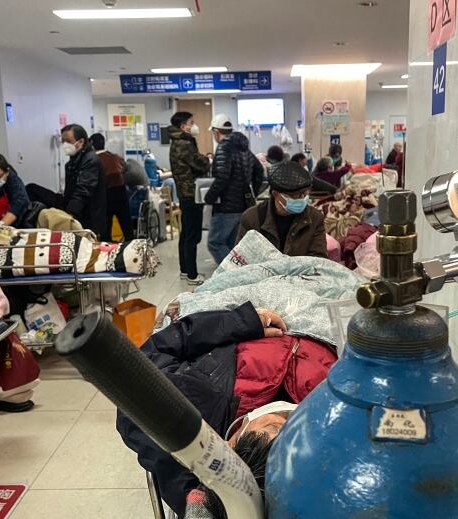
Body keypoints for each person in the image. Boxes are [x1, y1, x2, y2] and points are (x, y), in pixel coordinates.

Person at [117, 302, 335, 515]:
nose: (284, 413)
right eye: (291, 424)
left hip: (242, 316)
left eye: (275, 422)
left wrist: (239, 322)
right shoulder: (338, 423)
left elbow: (138, 371)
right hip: (327, 323)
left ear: (229, 445)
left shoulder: (194, 412)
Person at [205, 114, 264, 264]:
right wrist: (252, 193)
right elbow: (259, 171)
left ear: (217, 132)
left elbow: (222, 177)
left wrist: (209, 198)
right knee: (232, 244)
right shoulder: (244, 149)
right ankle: (238, 272)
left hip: (226, 206)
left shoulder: (224, 148)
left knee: (215, 243)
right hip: (242, 205)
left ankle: (232, 272)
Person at [237, 161, 327, 258]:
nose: (301, 199)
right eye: (295, 196)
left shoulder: (314, 218)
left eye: (304, 194)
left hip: (302, 273)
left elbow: (318, 259)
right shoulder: (252, 218)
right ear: (276, 194)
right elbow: (242, 259)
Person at [169, 111, 211, 285]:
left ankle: (185, 270)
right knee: (192, 235)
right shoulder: (185, 143)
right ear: (183, 126)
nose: (194, 126)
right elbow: (199, 162)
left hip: (184, 192)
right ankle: (192, 275)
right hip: (191, 193)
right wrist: (207, 159)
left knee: (186, 233)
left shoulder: (177, 141)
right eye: (191, 122)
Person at [61, 124, 108, 240]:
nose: (65, 145)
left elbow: (84, 189)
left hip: (90, 217)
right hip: (80, 215)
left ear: (81, 141)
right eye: (63, 141)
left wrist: (69, 215)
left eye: (68, 141)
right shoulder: (72, 162)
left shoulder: (91, 160)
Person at [89, 133, 133, 241]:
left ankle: (109, 254)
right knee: (126, 226)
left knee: (106, 229)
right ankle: (132, 250)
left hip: (104, 197)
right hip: (121, 194)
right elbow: (125, 169)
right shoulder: (116, 157)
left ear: (92, 145)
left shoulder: (93, 161)